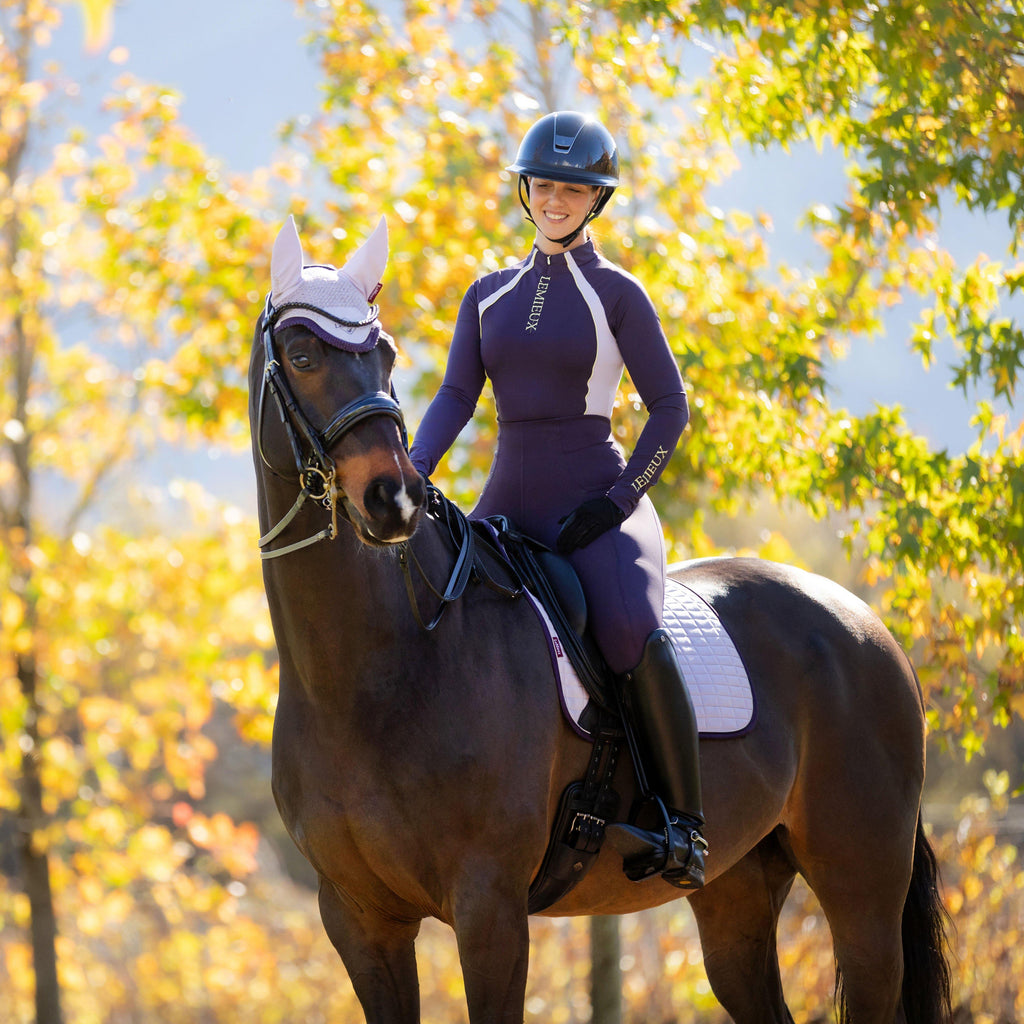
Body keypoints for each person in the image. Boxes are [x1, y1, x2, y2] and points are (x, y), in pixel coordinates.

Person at [409, 110, 707, 890]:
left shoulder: (618, 294)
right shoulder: (487, 294)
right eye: (544, 185)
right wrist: (414, 468)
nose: (555, 200)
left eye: (573, 189)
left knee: (630, 630)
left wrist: (618, 501)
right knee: (437, 611)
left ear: (595, 200)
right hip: (508, 500)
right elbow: (454, 395)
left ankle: (682, 823)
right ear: (523, 189)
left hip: (596, 504)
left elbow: (671, 410)